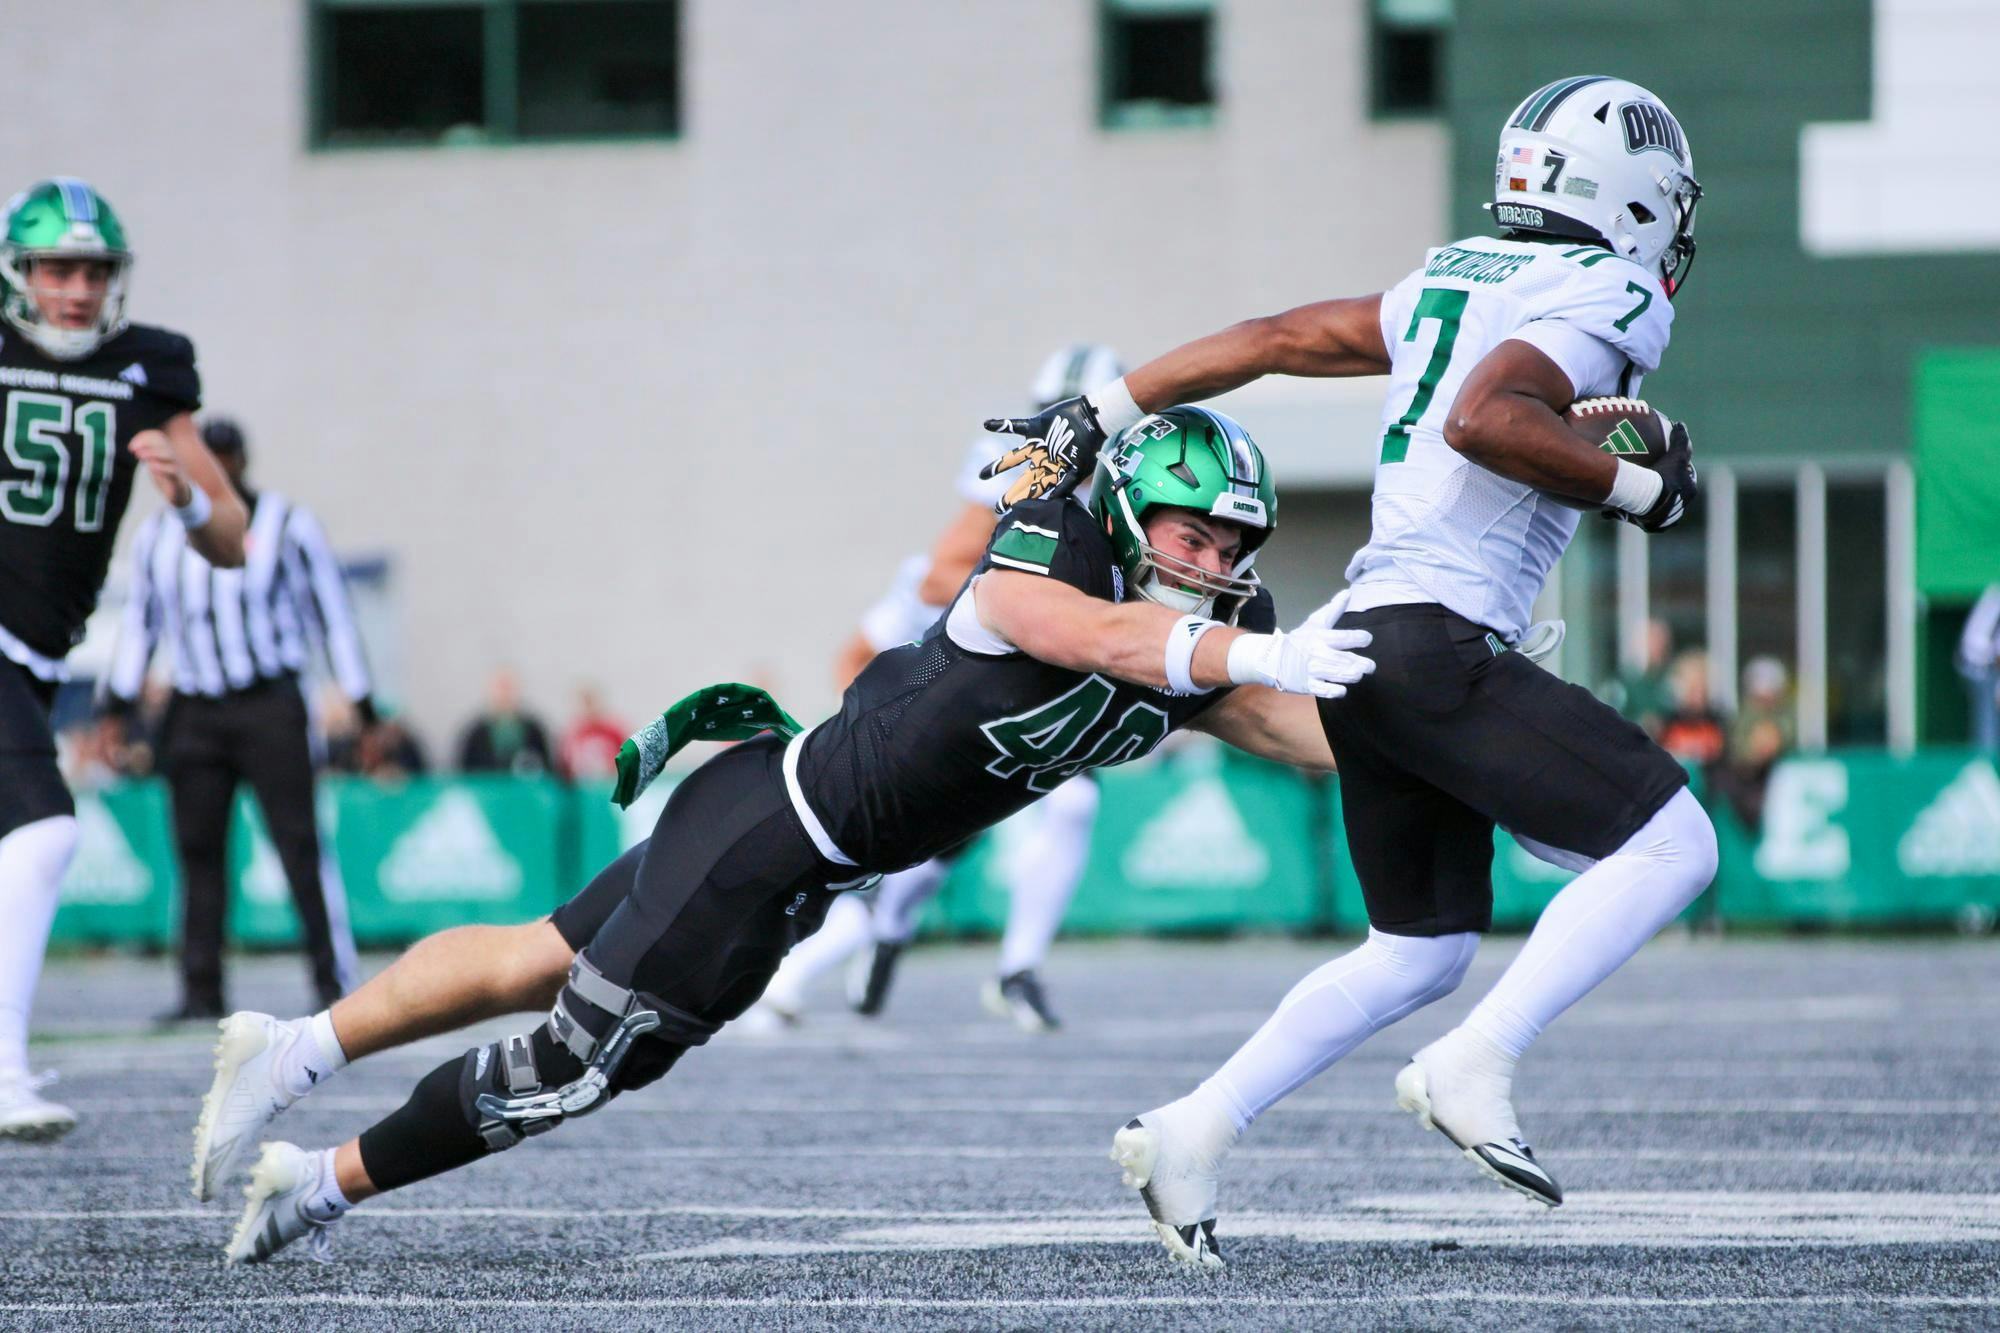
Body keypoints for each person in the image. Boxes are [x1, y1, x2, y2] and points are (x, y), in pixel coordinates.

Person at [189, 408, 1373, 1264]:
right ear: (1126, 511)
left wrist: (1426, 722)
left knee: (533, 952)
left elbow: (1290, 729)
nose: (1210, 565)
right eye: (1189, 536)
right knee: (570, 1067)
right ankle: (315, 1185)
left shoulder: (1211, 635)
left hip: (776, 826)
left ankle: (289, 1050)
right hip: (773, 841)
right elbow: (1073, 631)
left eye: (1229, 548)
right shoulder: (1054, 549)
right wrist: (1257, 649)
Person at [983, 75, 1716, 1268]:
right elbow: (1489, 416)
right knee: (1675, 844)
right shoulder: (1610, 284)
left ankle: (1188, 1130)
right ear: (1627, 192)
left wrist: (1103, 405)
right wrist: (1638, 487)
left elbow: (1273, 340)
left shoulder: (1456, 273)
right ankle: (1474, 1062)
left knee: (1418, 946)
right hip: (1434, 639)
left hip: (1369, 639)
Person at [757, 345, 1125, 1032]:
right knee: (909, 861)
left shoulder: (1105, 500)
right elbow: (934, 580)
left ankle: (1017, 969)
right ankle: (860, 944)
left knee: (1070, 800)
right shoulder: (1005, 498)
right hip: (953, 690)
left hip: (1032, 690)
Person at [0, 178, 249, 1140]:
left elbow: (230, 536)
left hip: (35, 648)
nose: (74, 289)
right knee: (42, 832)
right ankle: (7, 1069)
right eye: (57, 267)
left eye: (93, 270)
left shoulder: (151, 367)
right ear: (22, 274)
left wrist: (182, 497)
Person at [104, 417, 372, 1021]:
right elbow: (141, 622)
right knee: (198, 852)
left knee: (299, 844)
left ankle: (335, 984)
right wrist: (116, 704)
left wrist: (361, 700)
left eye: (228, 458)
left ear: (244, 462)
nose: (219, 469)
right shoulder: (156, 537)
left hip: (268, 703)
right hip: (195, 707)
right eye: (208, 458)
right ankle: (201, 991)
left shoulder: (287, 523)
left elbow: (332, 610)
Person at [455, 667, 553, 775]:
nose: (504, 695)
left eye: (509, 688)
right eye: (500, 688)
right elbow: (464, 773)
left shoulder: (534, 731)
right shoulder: (474, 734)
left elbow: (547, 771)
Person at [1957, 585, 2000, 755]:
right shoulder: (1996, 598)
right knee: (1987, 724)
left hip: (1982, 663)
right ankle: (1986, 765)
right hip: (1980, 665)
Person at [557, 685, 627, 780]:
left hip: (609, 782)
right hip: (583, 785)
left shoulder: (612, 731)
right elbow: (567, 764)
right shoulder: (575, 734)